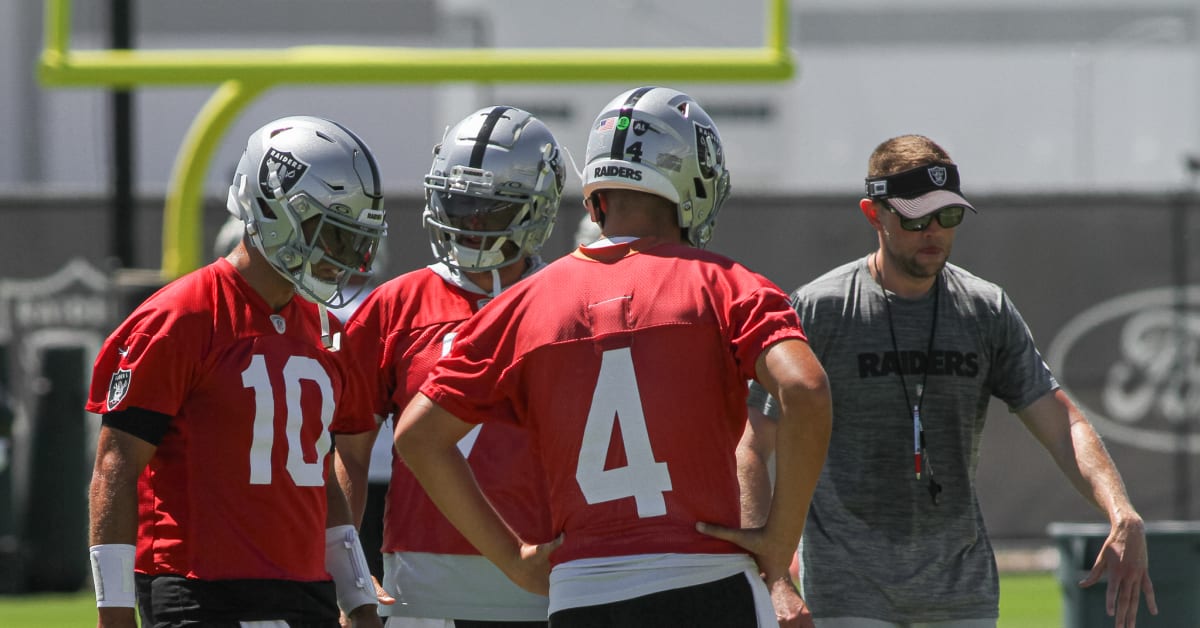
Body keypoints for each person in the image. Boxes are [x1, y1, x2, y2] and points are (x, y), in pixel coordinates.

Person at [392, 85, 832, 628]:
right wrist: (778, 539)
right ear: (694, 182)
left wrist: (513, 561)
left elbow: (417, 436)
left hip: (583, 594)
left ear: (597, 192)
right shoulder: (727, 284)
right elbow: (805, 389)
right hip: (707, 583)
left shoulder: (523, 303)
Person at [743, 134, 1158, 628]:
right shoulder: (819, 308)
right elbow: (752, 442)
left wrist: (1121, 509)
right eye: (916, 217)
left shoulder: (985, 309)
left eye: (949, 215)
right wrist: (774, 579)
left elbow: (1062, 422)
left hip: (962, 595)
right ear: (874, 213)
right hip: (848, 595)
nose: (934, 231)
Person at [86, 115, 389, 628]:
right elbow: (115, 467)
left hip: (305, 592)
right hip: (200, 592)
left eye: (351, 239)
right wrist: (113, 615)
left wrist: (357, 595)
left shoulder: (324, 330)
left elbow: (317, 478)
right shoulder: (181, 317)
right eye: (329, 234)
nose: (342, 258)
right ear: (272, 208)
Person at [333, 105, 566, 626]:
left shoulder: (571, 300)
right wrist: (346, 570)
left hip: (552, 584)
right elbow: (348, 452)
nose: (471, 222)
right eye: (459, 203)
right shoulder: (394, 306)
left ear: (539, 208)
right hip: (422, 589)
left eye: (492, 208)